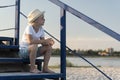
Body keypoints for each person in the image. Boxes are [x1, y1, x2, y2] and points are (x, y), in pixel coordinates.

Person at [19, 9, 55, 73]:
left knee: (49, 48)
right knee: (34, 46)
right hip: (23, 52)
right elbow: (30, 41)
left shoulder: (41, 29)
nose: (44, 19)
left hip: (33, 51)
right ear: (35, 20)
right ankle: (32, 68)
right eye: (42, 18)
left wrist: (48, 42)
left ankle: (45, 68)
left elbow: (43, 43)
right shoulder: (29, 27)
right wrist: (44, 41)